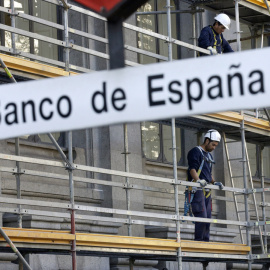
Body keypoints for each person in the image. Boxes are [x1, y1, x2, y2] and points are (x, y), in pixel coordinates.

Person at [187, 129, 224, 242]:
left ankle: (205, 243)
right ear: (207, 140)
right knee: (201, 217)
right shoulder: (196, 151)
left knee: (208, 218)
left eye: (216, 146)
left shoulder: (209, 156)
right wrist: (198, 180)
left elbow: (208, 173)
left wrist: (214, 182)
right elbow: (192, 169)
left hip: (207, 189)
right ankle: (199, 243)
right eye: (213, 144)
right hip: (197, 189)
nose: (214, 147)